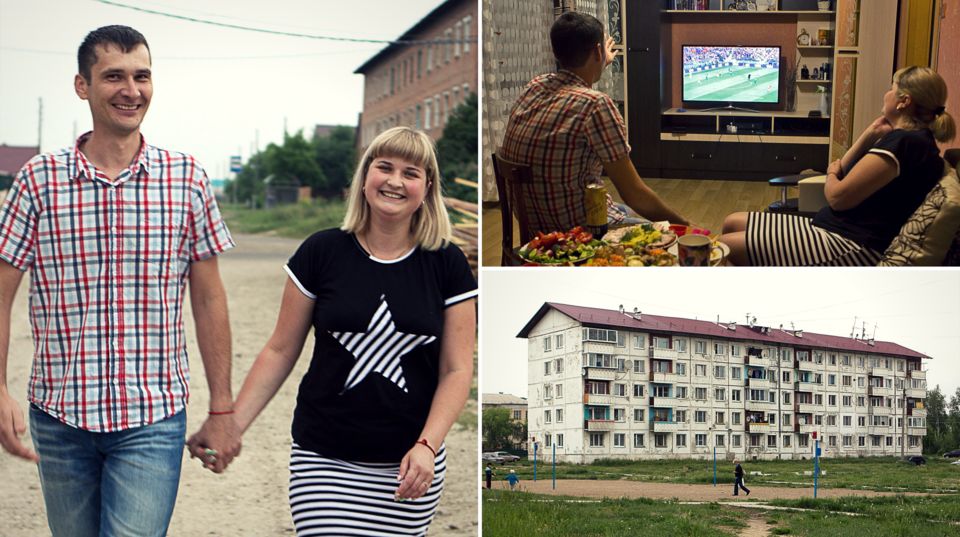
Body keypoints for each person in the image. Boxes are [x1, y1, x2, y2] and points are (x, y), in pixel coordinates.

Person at [0, 25, 238, 537]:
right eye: (114, 76)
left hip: (151, 418)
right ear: (82, 85)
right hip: (59, 415)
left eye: (142, 76)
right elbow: (0, 295)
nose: (132, 90)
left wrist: (222, 407)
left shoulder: (186, 179)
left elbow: (209, 301)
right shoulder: (38, 181)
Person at [194, 126, 477, 536]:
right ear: (365, 178)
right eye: (385, 167)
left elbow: (456, 370)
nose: (396, 181)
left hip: (408, 463)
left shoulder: (446, 262)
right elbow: (280, 350)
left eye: (411, 172)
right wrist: (231, 425)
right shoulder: (321, 252)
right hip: (324, 456)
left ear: (427, 186)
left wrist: (427, 446)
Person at [720, 66, 956, 266]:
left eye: (891, 88)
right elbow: (844, 169)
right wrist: (870, 133)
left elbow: (837, 197)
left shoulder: (905, 144)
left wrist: (831, 174)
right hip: (837, 228)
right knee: (732, 221)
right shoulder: (912, 140)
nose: (886, 94)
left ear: (904, 101)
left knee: (725, 247)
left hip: (853, 245)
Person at [499, 11, 689, 235]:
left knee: (621, 208)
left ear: (556, 51)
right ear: (598, 51)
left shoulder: (535, 86)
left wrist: (598, 63)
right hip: (577, 236)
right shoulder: (596, 105)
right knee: (657, 227)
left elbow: (573, 91)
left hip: (536, 233)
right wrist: (687, 227)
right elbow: (636, 195)